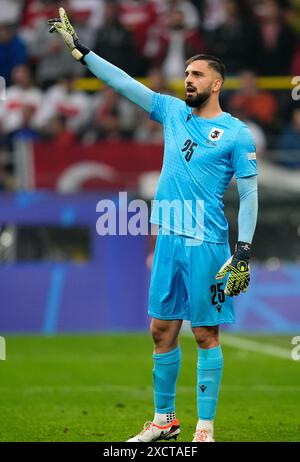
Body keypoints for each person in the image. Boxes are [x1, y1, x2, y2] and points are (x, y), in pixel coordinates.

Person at [48, 8, 258, 443]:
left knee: (204, 332)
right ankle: (165, 422)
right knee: (161, 329)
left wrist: (243, 251)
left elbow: (251, 194)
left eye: (197, 74)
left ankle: (204, 428)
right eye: (186, 73)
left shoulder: (237, 134)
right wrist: (83, 53)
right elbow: (124, 83)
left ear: (216, 83)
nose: (189, 79)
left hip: (207, 242)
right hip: (167, 238)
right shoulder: (171, 111)